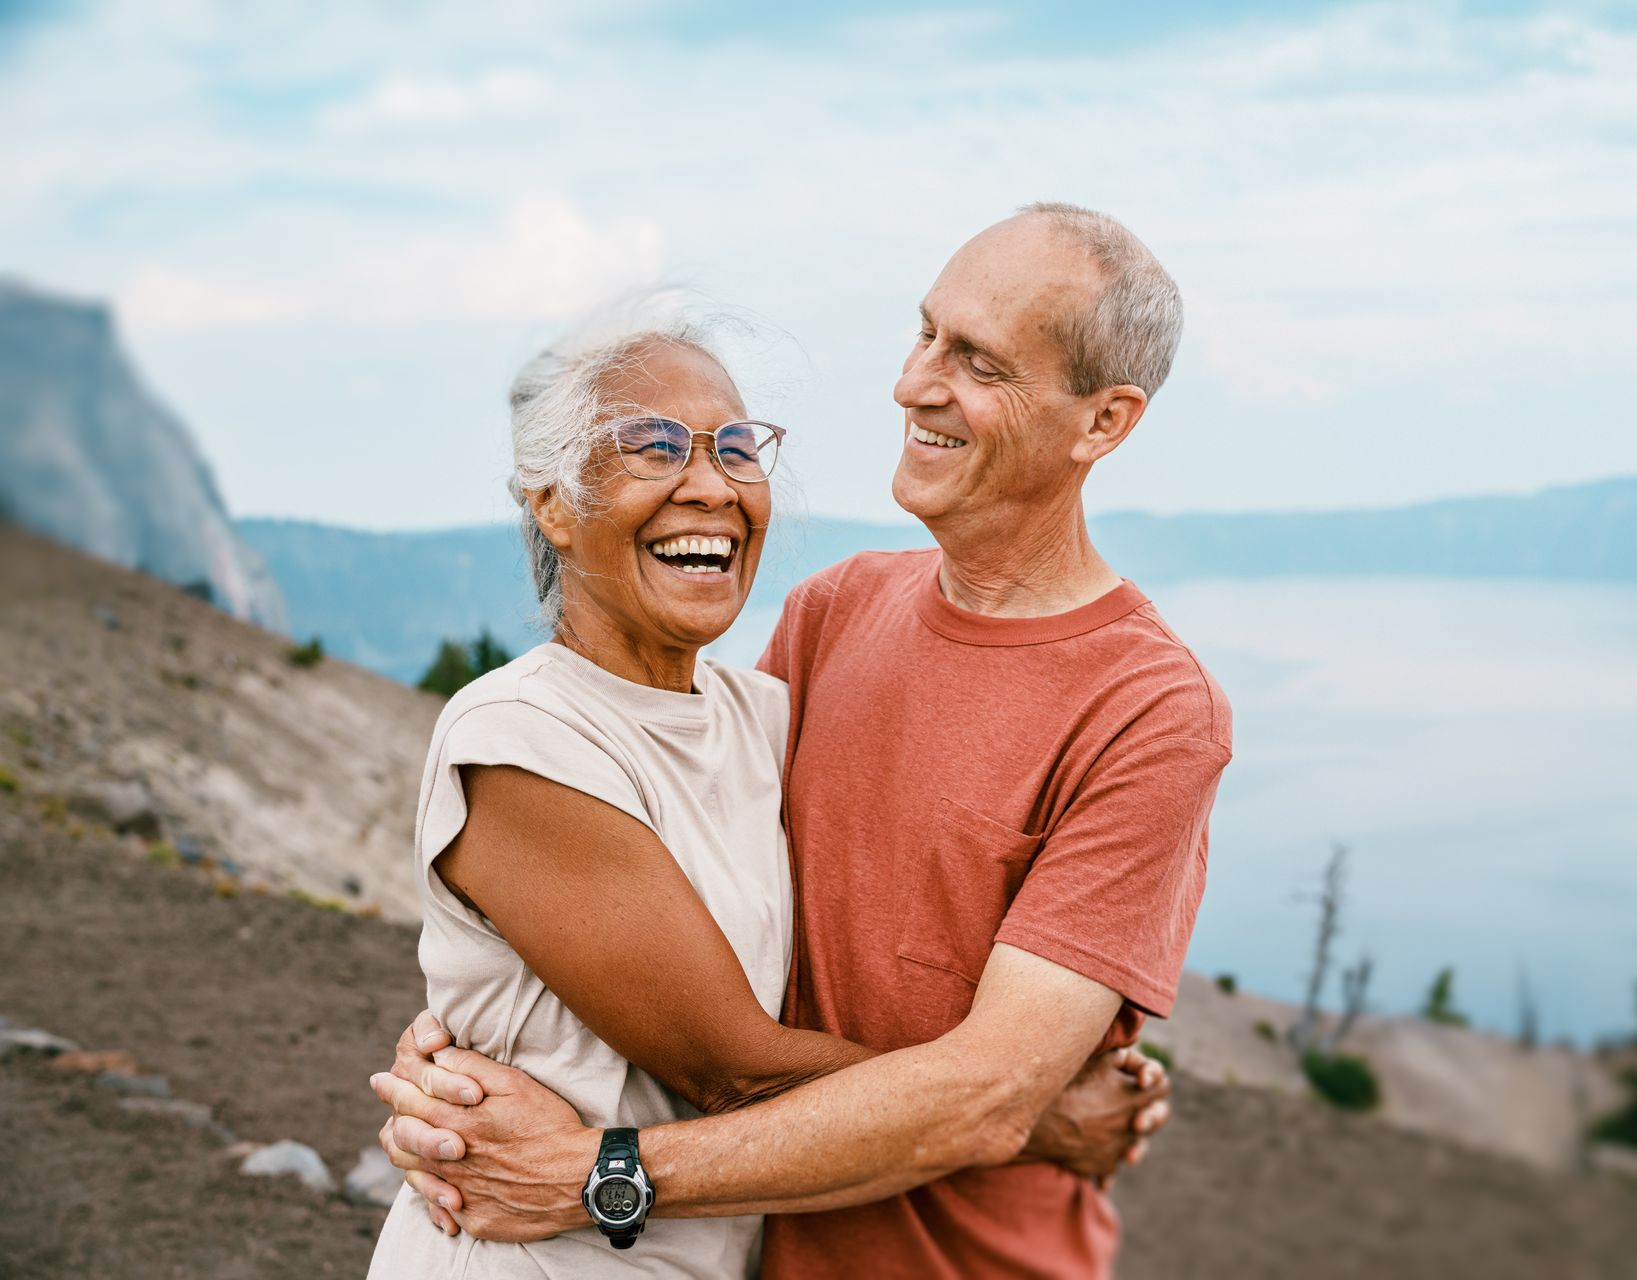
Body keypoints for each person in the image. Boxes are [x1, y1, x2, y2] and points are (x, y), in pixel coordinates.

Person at [366, 302, 1171, 1279]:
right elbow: (732, 1066)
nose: (708, 485)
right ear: (551, 501)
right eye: (651, 447)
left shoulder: (763, 715)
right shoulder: (521, 737)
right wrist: (1032, 1113)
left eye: (735, 449)